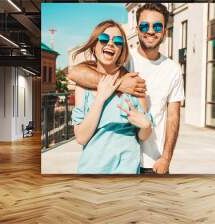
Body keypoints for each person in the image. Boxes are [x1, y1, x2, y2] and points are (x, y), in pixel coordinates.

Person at [68, 3, 184, 174]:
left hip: (152, 161)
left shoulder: (173, 69)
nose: (150, 31)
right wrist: (119, 84)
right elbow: (76, 72)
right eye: (144, 25)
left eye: (157, 26)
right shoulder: (124, 59)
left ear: (165, 31)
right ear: (137, 29)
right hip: (107, 165)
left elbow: (173, 117)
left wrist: (166, 158)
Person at [71, 20, 153, 174]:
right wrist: (101, 97)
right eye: (103, 39)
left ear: (121, 51)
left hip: (126, 171)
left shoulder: (134, 83)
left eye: (117, 41)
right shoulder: (82, 86)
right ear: (94, 46)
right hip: (91, 170)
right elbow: (81, 138)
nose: (110, 44)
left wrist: (146, 126)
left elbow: (143, 136)